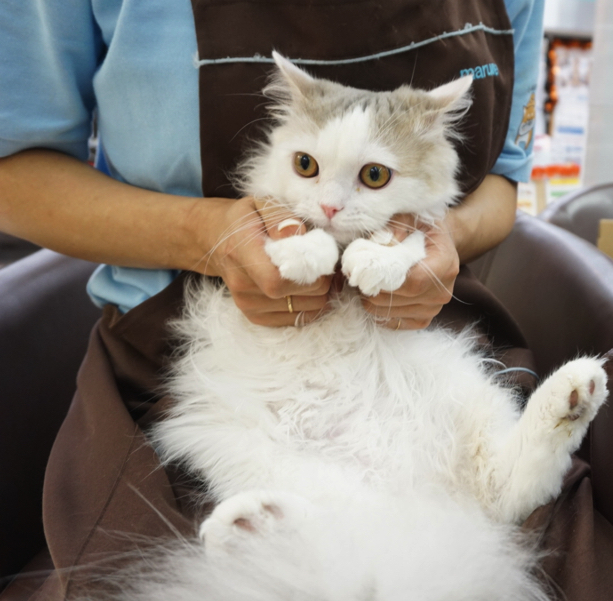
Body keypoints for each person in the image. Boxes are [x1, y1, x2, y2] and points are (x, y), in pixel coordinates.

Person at [0, 1, 546, 599]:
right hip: (194, 362)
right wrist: (208, 237)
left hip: (418, 340)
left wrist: (431, 243)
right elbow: (13, 172)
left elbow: (502, 186)